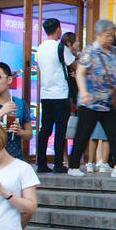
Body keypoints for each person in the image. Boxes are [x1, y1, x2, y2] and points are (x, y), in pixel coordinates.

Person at [66, 19, 116, 178]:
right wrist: (83, 92)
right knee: (83, 135)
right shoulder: (89, 51)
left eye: (112, 35)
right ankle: (73, 166)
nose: (110, 38)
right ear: (98, 34)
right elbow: (81, 73)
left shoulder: (114, 52)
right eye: (107, 35)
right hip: (90, 101)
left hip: (110, 102)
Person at [36, 18, 70, 174]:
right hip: (61, 94)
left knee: (45, 130)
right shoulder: (60, 47)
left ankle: (41, 163)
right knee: (60, 130)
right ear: (58, 29)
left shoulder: (40, 48)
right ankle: (58, 163)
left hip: (45, 94)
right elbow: (73, 63)